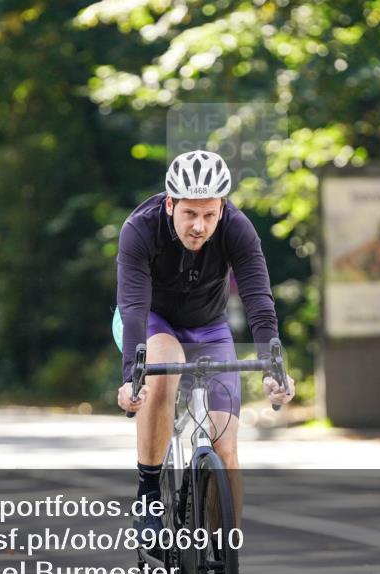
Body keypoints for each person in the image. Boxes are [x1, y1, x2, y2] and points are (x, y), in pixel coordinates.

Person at [115, 149, 295, 526]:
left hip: (209, 327)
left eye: (209, 214)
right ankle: (149, 494)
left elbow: (259, 301)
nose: (199, 226)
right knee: (165, 369)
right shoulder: (140, 228)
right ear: (170, 204)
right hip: (152, 320)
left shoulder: (237, 228)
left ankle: (223, 551)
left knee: (226, 449)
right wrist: (132, 375)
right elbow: (133, 308)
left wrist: (274, 371)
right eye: (190, 214)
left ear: (222, 208)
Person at [334, 215, 380, 282]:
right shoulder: (375, 243)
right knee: (345, 264)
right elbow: (356, 252)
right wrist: (343, 259)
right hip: (366, 271)